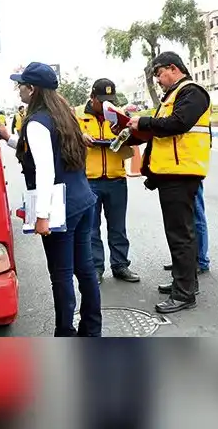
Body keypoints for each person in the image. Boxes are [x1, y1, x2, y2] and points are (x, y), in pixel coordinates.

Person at [0, 62, 103, 337]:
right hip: (82, 199)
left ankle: (65, 333)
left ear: (32, 89)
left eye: (21, 85)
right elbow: (47, 151)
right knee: (85, 269)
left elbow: (45, 169)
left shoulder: (36, 121)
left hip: (59, 207)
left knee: (62, 275)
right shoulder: (64, 114)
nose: (18, 89)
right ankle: (92, 330)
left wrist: (42, 216)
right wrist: (10, 138)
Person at [129, 51, 212, 315]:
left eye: (158, 74)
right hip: (170, 173)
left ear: (172, 68)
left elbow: (178, 123)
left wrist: (144, 121)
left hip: (182, 172)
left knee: (180, 235)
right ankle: (186, 282)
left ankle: (184, 293)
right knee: (179, 233)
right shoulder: (173, 95)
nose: (158, 80)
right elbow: (162, 131)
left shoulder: (192, 92)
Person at [77, 78, 140, 284]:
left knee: (118, 226)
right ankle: (96, 267)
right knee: (91, 228)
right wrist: (81, 137)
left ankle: (120, 265)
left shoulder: (119, 115)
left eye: (110, 101)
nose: (106, 105)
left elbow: (134, 139)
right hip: (89, 180)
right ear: (92, 98)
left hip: (116, 179)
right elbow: (66, 139)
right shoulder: (78, 116)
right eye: (102, 101)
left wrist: (127, 132)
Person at [163, 182, 210, 274]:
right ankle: (184, 261)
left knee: (197, 218)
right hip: (179, 176)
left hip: (191, 174)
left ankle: (201, 261)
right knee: (183, 218)